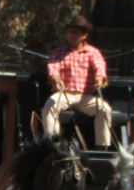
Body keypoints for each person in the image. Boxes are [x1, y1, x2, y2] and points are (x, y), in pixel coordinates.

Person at [41, 15, 112, 149]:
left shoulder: (93, 52)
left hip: (85, 97)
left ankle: (102, 148)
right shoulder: (59, 52)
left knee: (105, 109)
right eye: (70, 32)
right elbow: (53, 68)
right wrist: (56, 79)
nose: (72, 35)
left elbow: (99, 67)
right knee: (50, 105)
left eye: (76, 33)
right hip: (64, 94)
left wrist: (100, 78)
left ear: (84, 35)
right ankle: (52, 144)